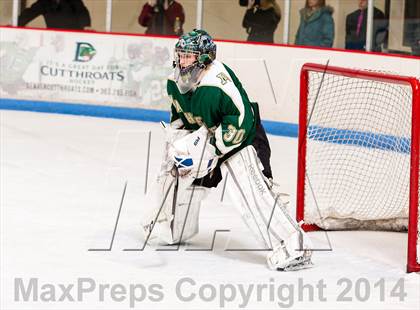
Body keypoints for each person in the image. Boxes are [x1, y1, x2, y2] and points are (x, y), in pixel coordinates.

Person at [141, 29, 313, 271]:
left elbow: (241, 120)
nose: (182, 61)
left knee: (249, 190)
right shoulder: (174, 81)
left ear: (204, 58)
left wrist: (212, 150)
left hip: (241, 138)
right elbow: (180, 115)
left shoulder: (218, 82)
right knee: (175, 169)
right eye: (180, 55)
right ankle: (172, 228)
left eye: (189, 56)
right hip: (206, 134)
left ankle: (295, 245)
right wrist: (180, 142)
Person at [18, 0, 91, 30]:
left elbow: (82, 11)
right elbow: (30, 12)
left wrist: (86, 27)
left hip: (73, 37)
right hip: (55, 38)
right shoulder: (45, 2)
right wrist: (15, 23)